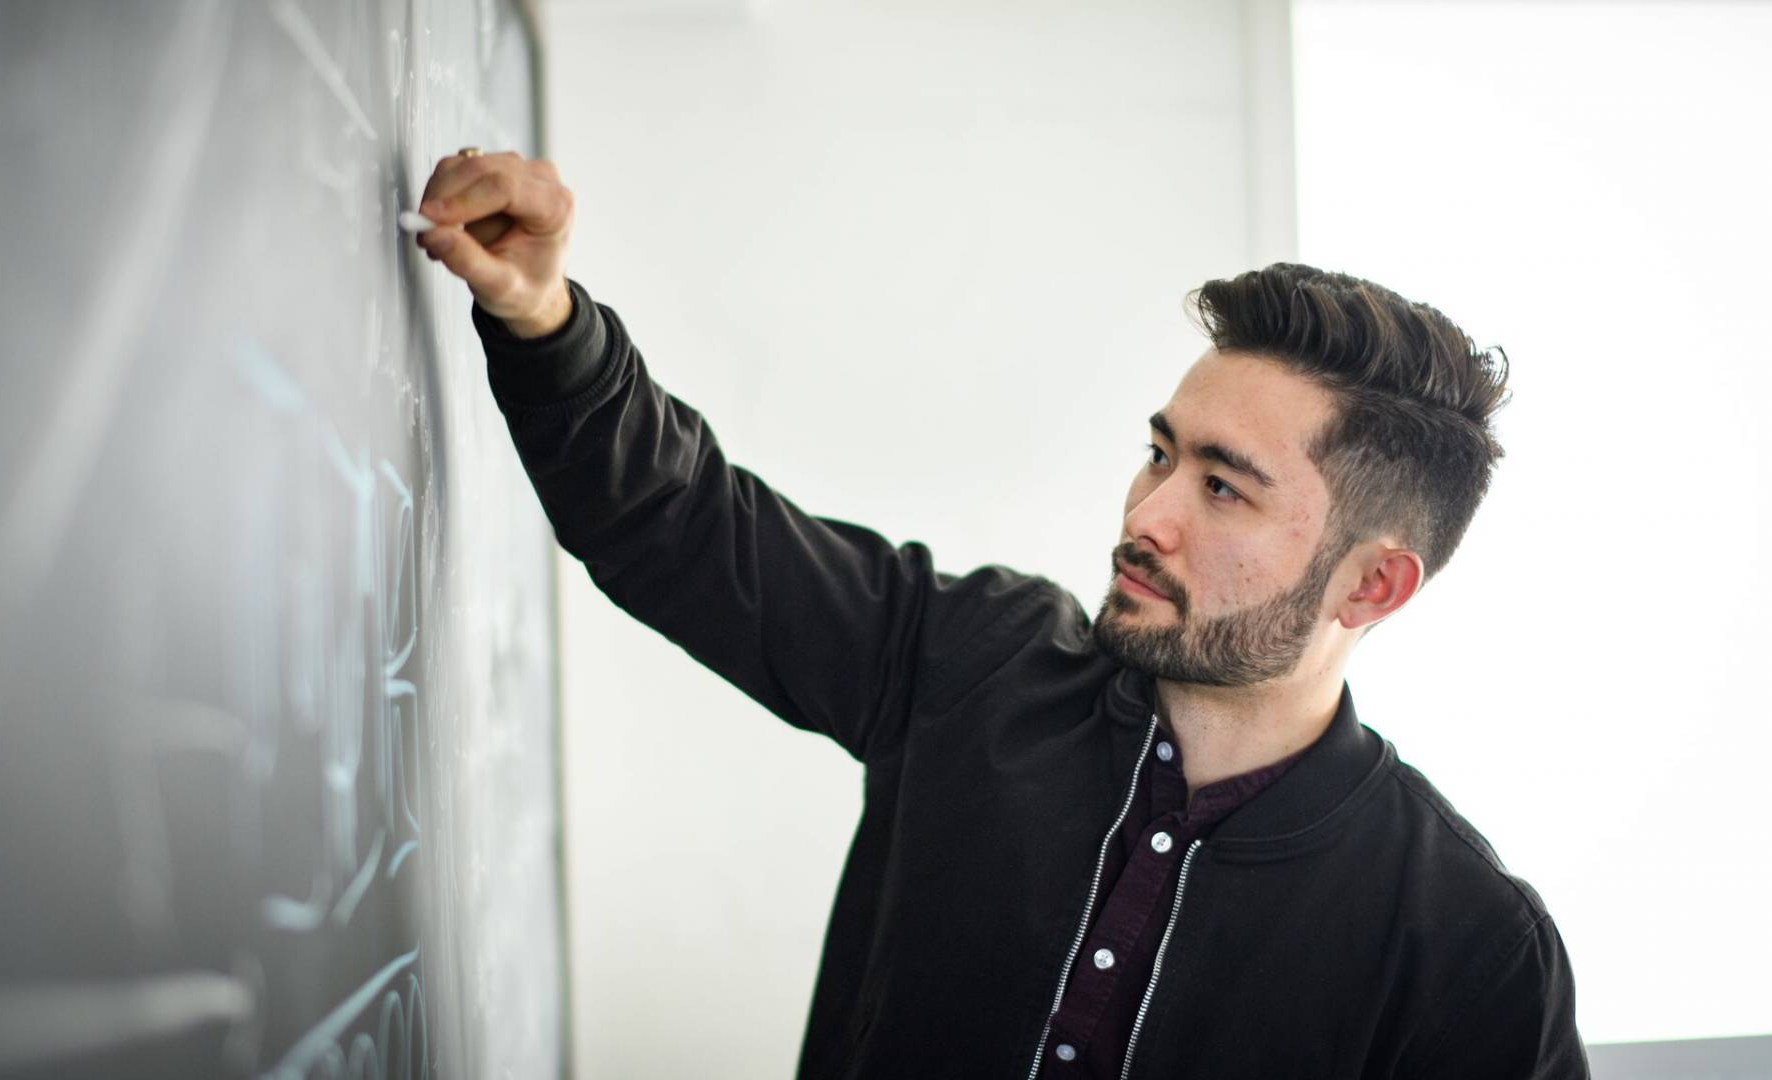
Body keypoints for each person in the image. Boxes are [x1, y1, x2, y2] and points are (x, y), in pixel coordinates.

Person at [413, 150, 1590, 1079]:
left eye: (1223, 485)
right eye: (1159, 454)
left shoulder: (1470, 951)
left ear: (1370, 584)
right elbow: (681, 529)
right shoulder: (976, 659)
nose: (1148, 512)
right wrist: (544, 317)